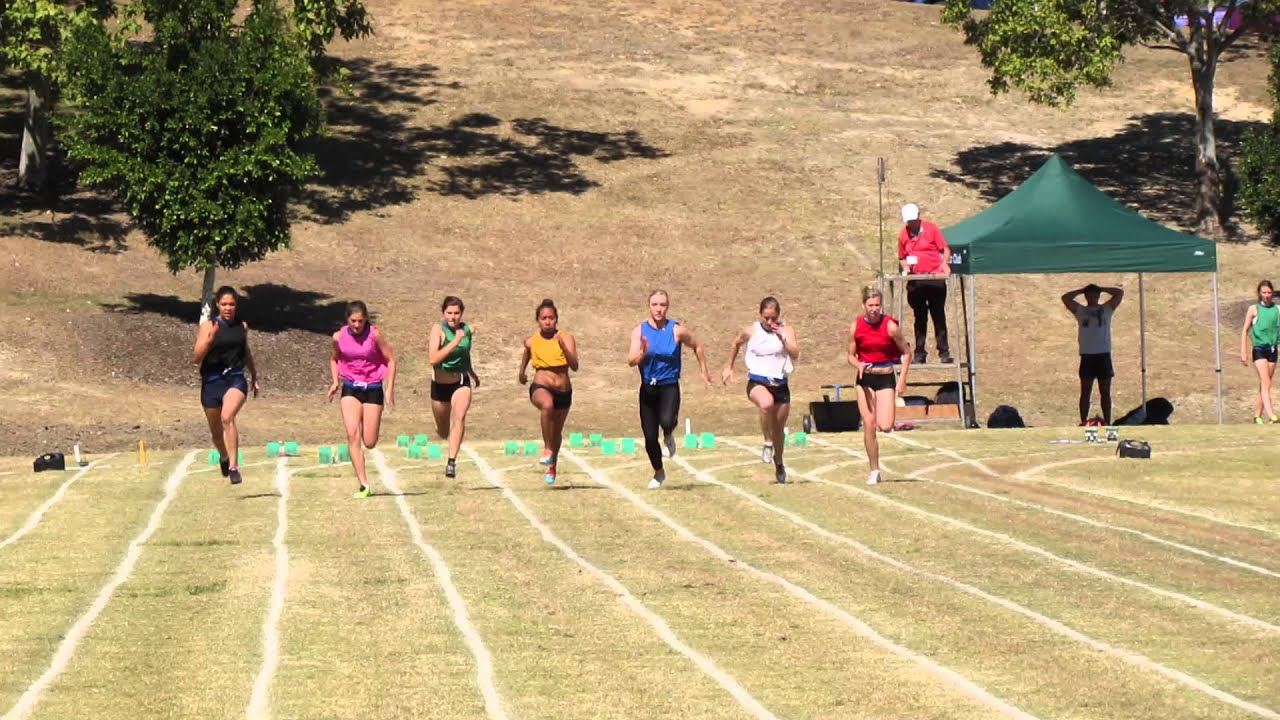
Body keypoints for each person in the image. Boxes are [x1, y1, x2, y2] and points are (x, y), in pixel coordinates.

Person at [627, 290, 713, 489]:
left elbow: (697, 345)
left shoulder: (676, 330)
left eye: (662, 305)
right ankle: (658, 472)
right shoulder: (639, 331)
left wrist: (703, 370)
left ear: (668, 306)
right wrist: (642, 353)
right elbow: (631, 360)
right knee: (649, 438)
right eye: (655, 304)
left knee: (666, 420)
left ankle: (668, 434)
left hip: (669, 385)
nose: (658, 309)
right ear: (649, 306)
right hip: (648, 388)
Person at [722, 296, 799, 484]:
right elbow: (736, 343)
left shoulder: (786, 330)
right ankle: (767, 442)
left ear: (779, 316)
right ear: (760, 315)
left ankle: (779, 462)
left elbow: (795, 353)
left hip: (780, 384)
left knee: (779, 430)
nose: (770, 322)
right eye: (766, 318)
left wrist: (783, 337)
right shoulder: (751, 331)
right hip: (757, 382)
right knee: (766, 404)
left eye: (773, 318)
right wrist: (728, 367)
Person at [328, 301, 397, 498]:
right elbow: (334, 358)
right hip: (350, 387)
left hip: (373, 388)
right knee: (352, 434)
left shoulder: (375, 334)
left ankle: (369, 426)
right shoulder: (339, 337)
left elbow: (391, 359)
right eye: (353, 321)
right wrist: (335, 381)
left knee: (370, 441)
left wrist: (389, 388)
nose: (356, 325)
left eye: (360, 321)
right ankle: (363, 485)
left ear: (366, 318)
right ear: (347, 320)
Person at [192, 286, 260, 486]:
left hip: (235, 379)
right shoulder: (208, 326)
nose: (228, 308)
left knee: (227, 417)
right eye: (224, 304)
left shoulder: (242, 326)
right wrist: (209, 340)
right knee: (215, 431)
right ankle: (223, 455)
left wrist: (254, 374)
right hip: (212, 381)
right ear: (217, 305)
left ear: (236, 305)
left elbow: (245, 351)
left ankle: (233, 467)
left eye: (231, 304)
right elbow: (196, 358)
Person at [849, 285, 910, 485]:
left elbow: (906, 352)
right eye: (870, 305)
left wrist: (902, 379)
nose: (874, 309)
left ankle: (876, 465)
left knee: (885, 426)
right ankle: (874, 469)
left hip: (885, 378)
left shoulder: (890, 326)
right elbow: (850, 355)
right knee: (869, 424)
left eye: (877, 305)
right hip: (865, 379)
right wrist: (858, 364)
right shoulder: (856, 326)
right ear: (863, 305)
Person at [518, 299, 579, 484]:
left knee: (556, 432)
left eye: (551, 318)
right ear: (538, 320)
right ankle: (547, 449)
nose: (547, 321)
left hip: (563, 389)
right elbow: (527, 353)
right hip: (541, 385)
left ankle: (552, 465)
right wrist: (521, 372)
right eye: (543, 318)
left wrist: (563, 347)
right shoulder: (531, 340)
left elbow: (574, 366)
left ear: (556, 319)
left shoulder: (566, 337)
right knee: (547, 404)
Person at [428, 296, 480, 478]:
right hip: (440, 385)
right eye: (449, 313)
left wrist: (471, 372)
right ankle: (441, 428)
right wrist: (454, 342)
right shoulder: (438, 330)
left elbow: (465, 353)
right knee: (443, 432)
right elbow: (433, 359)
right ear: (443, 313)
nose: (453, 317)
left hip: (460, 382)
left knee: (459, 416)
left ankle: (451, 462)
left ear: (461, 313)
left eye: (457, 313)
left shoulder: (466, 330)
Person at [1061, 283, 1124, 426]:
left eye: (1095, 295)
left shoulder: (1106, 309)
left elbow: (1119, 293)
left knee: (1105, 392)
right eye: (1089, 295)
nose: (1092, 297)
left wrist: (1102, 288)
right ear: (1086, 296)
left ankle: (1107, 422)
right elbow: (1065, 298)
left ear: (1098, 296)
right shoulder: (1080, 310)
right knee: (1085, 391)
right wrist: (1081, 290)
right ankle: (1083, 421)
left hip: (1103, 354)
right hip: (1087, 355)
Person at [897, 203, 952, 365]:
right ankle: (920, 352)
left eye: (913, 220)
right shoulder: (903, 234)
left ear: (919, 217)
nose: (911, 224)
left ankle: (944, 351)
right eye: (909, 221)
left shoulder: (932, 229)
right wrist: (906, 267)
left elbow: (945, 249)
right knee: (920, 317)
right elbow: (901, 256)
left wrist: (944, 263)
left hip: (935, 279)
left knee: (938, 314)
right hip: (916, 280)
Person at [1240, 280, 1279, 424]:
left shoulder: (1277, 309)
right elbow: (1245, 330)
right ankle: (1272, 415)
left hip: (1273, 349)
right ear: (1259, 294)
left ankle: (1257, 416)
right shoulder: (1254, 309)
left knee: (1264, 384)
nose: (1267, 295)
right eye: (1264, 292)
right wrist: (1243, 351)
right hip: (1259, 349)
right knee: (1266, 382)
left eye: (1269, 292)